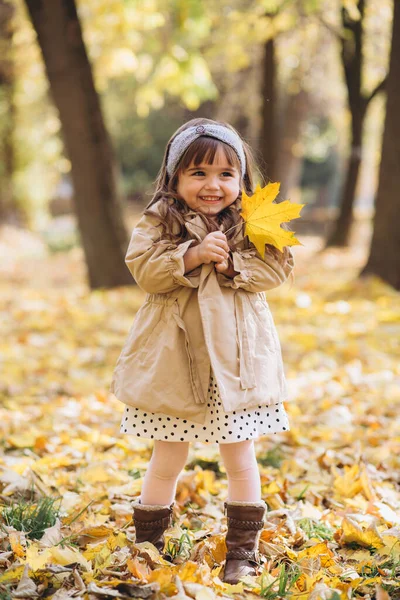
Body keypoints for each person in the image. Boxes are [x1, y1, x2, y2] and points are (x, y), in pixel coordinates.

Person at [110, 118, 295, 584]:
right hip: (178, 360)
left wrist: (234, 263)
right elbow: (144, 270)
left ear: (241, 179)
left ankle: (242, 552)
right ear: (174, 178)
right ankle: (148, 546)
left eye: (225, 174)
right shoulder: (159, 219)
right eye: (198, 173)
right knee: (167, 455)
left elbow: (277, 268)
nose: (213, 185)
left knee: (240, 455)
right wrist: (189, 256)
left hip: (236, 363)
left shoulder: (251, 222)